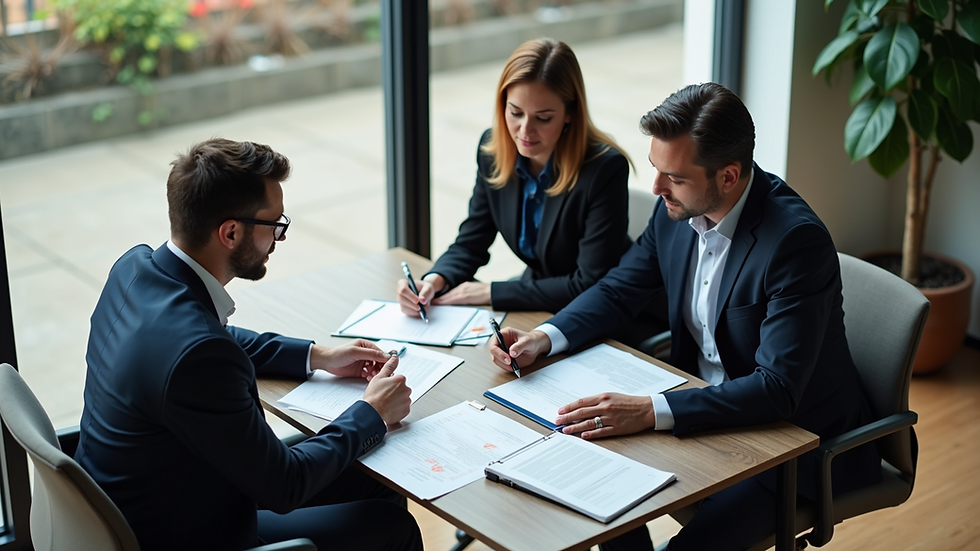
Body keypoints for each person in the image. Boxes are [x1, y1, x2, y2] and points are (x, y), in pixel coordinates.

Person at [488, 83, 883, 551]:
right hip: (702, 408)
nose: (656, 188)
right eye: (656, 169)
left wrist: (649, 410)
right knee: (589, 492)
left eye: (672, 177)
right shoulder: (674, 209)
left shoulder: (795, 244)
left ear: (729, 177)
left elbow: (777, 389)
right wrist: (544, 338)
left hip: (791, 445)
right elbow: (619, 290)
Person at [75, 138, 422, 551]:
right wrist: (372, 413)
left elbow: (211, 341)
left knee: (368, 475)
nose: (281, 237)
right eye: (274, 224)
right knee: (392, 525)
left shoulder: (134, 270)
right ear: (231, 232)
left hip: (149, 494)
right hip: (186, 532)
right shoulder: (198, 356)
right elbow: (285, 486)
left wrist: (319, 356)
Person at [397, 37, 633, 316]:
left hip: (603, 311)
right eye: (515, 113)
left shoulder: (604, 169)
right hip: (538, 297)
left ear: (570, 113)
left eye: (543, 118)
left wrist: (490, 292)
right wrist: (436, 280)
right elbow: (472, 240)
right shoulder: (493, 151)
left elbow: (589, 283)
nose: (525, 131)